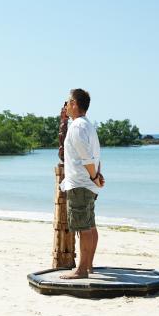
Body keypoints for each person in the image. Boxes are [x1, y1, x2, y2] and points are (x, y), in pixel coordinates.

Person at [60, 88, 105, 279]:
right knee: (90, 226)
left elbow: (86, 157)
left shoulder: (77, 127)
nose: (66, 105)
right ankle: (88, 265)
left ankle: (81, 270)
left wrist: (95, 177)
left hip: (81, 184)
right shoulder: (87, 125)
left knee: (84, 228)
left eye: (68, 102)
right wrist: (97, 175)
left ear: (75, 104)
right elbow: (95, 155)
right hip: (87, 183)